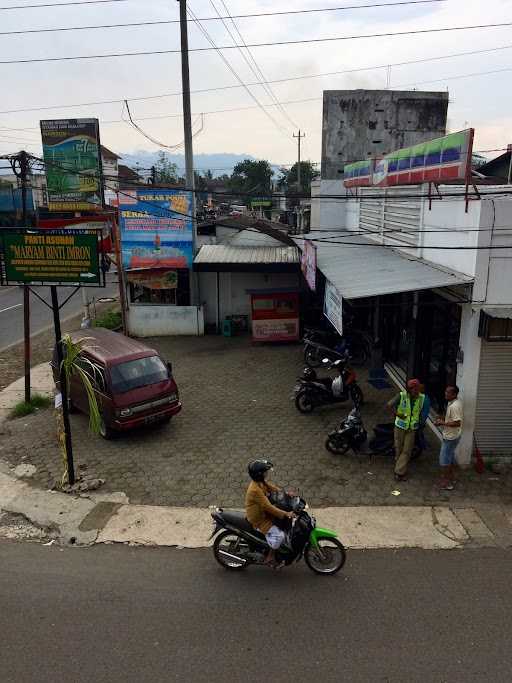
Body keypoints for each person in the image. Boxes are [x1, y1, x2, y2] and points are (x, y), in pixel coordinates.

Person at [245, 460, 294, 568]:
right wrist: (286, 514)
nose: (266, 474)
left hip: (264, 513)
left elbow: (272, 488)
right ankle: (270, 557)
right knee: (280, 536)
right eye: (264, 472)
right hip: (259, 519)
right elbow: (268, 507)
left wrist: (286, 494)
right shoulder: (254, 490)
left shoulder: (260, 482)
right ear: (259, 475)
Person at [387, 379, 427, 481]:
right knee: (398, 448)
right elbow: (389, 405)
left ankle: (399, 472)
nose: (415, 390)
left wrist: (421, 424)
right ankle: (399, 467)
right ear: (409, 389)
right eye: (413, 389)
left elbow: (423, 413)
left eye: (416, 388)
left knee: (407, 450)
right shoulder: (401, 395)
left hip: (412, 429)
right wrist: (398, 414)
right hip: (400, 426)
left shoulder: (422, 398)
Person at [435, 385, 463, 491]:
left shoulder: (454, 406)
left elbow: (457, 423)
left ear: (454, 394)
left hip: (450, 438)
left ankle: (447, 483)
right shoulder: (454, 403)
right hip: (454, 436)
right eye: (446, 391)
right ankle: (452, 478)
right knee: (450, 458)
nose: (445, 394)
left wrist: (443, 422)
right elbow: (452, 418)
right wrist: (443, 418)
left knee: (444, 461)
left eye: (448, 392)